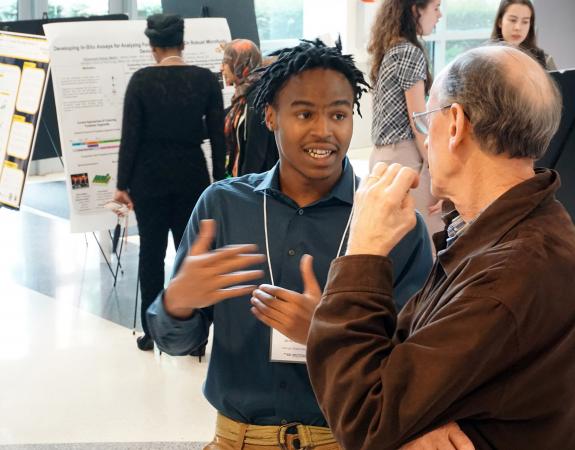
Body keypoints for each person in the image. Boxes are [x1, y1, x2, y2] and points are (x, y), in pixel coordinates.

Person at [147, 39, 434, 449]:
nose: (324, 130)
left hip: (346, 438)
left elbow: (416, 361)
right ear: (270, 116)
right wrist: (177, 302)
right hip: (238, 439)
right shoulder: (223, 207)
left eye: (338, 114)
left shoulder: (394, 221)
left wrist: (328, 335)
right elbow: (175, 342)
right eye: (304, 113)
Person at [306, 44, 575, 449]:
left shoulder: (508, 273)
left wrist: (364, 250)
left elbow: (365, 420)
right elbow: (407, 357)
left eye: (425, 118)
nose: (424, 136)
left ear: (454, 125)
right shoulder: (509, 232)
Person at [114, 14, 226, 351]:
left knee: (151, 253)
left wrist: (122, 184)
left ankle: (152, 331)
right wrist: (220, 181)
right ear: (183, 43)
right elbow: (218, 139)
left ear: (152, 47)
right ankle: (198, 336)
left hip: (148, 180)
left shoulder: (140, 82)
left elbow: (129, 138)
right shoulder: (205, 80)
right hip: (192, 175)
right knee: (193, 253)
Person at [368, 0, 443, 237]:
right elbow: (418, 121)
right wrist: (437, 169)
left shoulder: (391, 49)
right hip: (406, 157)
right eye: (436, 7)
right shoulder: (409, 52)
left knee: (393, 242)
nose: (439, 15)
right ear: (415, 10)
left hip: (381, 158)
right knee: (428, 242)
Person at [222, 39, 279, 176]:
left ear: (239, 64)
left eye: (225, 62)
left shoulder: (256, 98)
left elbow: (256, 153)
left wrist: (244, 186)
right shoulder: (243, 97)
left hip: (257, 185)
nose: (221, 68)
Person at [491, 0, 557, 70]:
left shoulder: (545, 60)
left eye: (525, 22)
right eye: (513, 20)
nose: (518, 28)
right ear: (500, 22)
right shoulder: (485, 59)